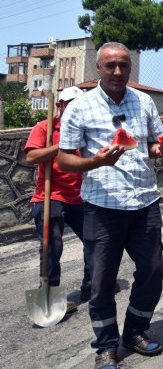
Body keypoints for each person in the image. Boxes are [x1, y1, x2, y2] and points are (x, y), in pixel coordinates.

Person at [57, 42, 163, 369]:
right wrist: (95, 161)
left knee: (152, 272)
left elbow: (155, 142)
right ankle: (106, 346)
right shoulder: (81, 107)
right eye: (111, 66)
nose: (119, 72)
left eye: (124, 65)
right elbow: (65, 160)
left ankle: (135, 331)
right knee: (102, 280)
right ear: (98, 68)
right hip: (103, 206)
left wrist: (160, 149)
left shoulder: (145, 102)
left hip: (144, 201)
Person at [25, 86, 87, 316]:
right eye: (71, 104)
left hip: (79, 197)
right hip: (50, 197)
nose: (75, 110)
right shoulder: (46, 127)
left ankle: (91, 286)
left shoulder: (84, 129)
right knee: (52, 248)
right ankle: (50, 295)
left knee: (95, 242)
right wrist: (59, 146)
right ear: (60, 105)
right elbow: (31, 157)